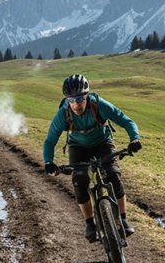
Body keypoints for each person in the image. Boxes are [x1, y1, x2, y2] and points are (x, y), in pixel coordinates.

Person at [43, 73, 142, 241]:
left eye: (80, 98)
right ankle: (90, 223)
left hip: (102, 142)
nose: (76, 104)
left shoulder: (99, 105)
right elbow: (50, 141)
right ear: (67, 99)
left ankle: (123, 220)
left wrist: (134, 138)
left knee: (113, 175)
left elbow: (127, 121)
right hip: (77, 146)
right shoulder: (63, 114)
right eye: (71, 99)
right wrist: (48, 161)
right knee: (80, 180)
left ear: (87, 96)